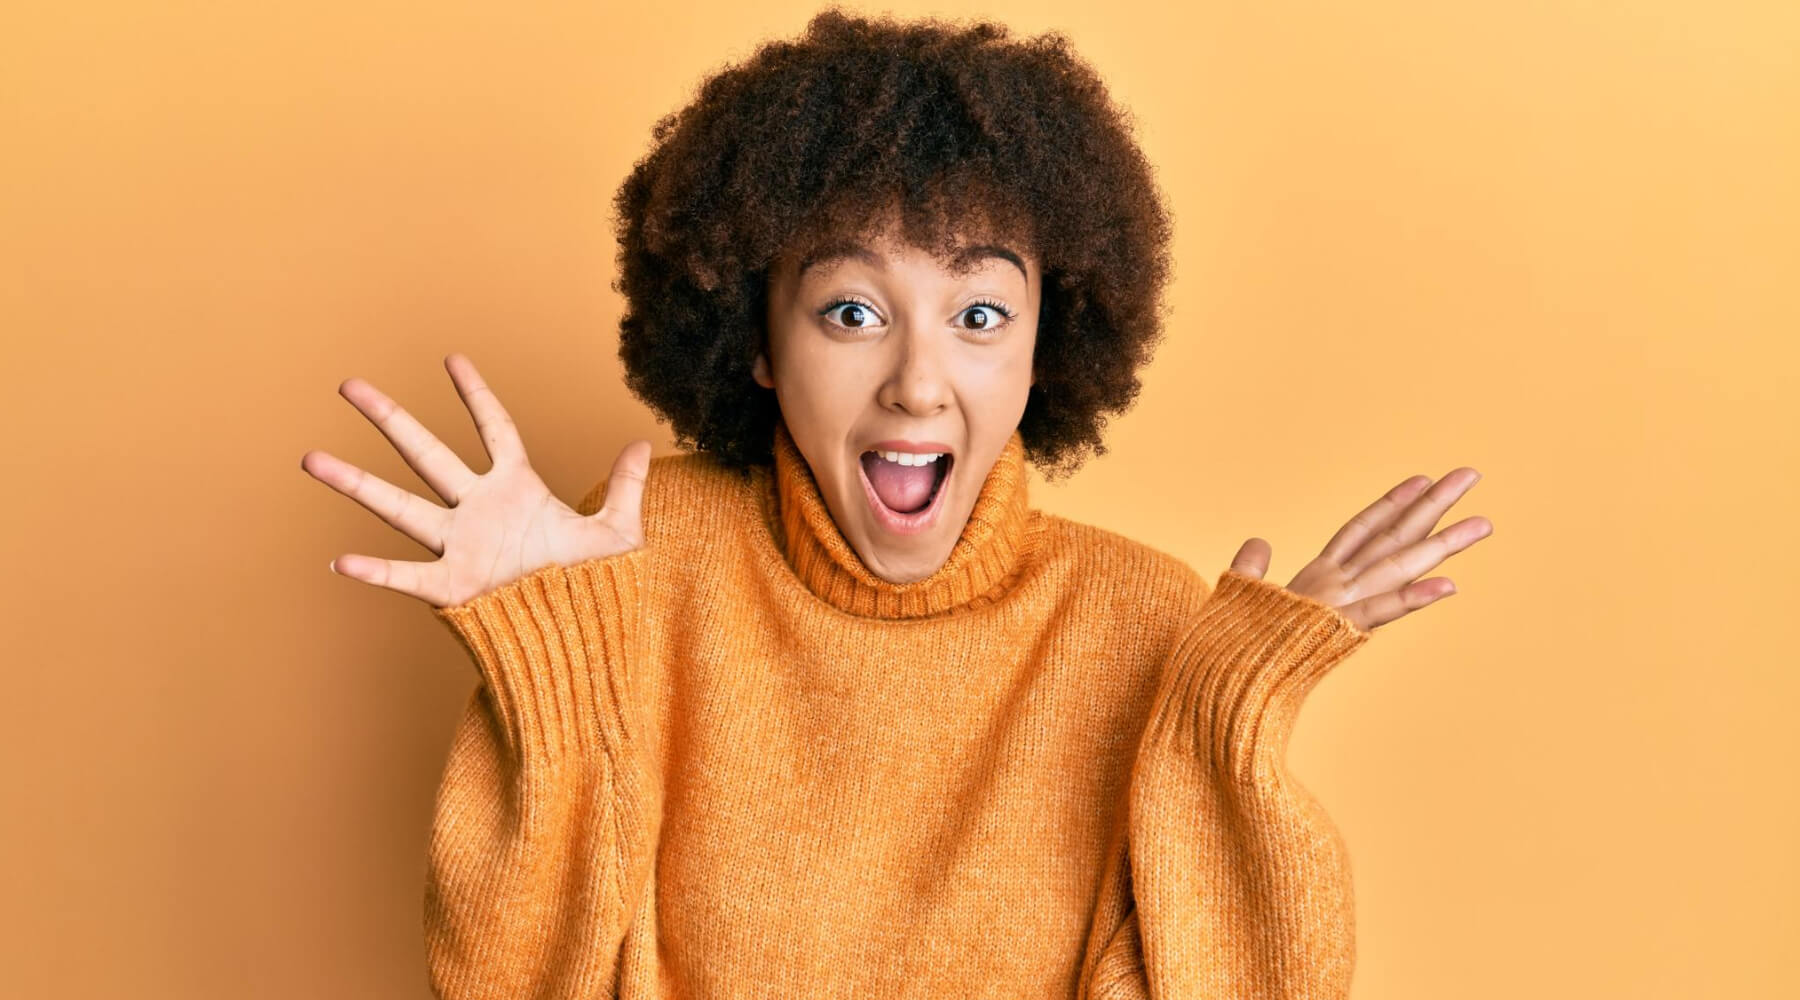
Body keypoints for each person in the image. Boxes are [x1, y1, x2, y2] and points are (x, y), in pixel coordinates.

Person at [301, 7, 1492, 998]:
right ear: (758, 341)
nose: (919, 381)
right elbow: (511, 979)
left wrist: (1230, 705)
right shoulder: (637, 555)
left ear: (1044, 348)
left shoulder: (1141, 620)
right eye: (853, 312)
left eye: (979, 316)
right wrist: (546, 659)